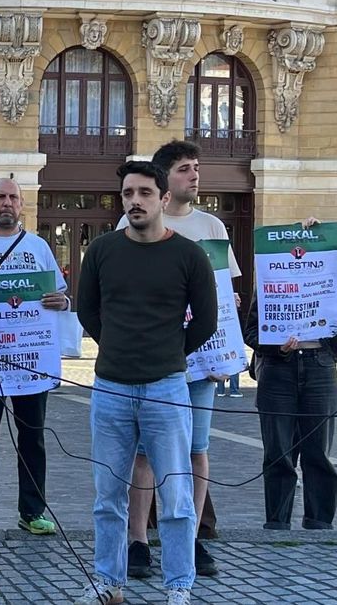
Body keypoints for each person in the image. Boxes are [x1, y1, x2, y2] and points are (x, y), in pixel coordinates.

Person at [74, 161, 217, 605]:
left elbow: (206, 322)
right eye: (128, 193)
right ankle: (107, 582)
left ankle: (178, 586)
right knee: (108, 496)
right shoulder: (101, 251)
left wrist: (166, 351)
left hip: (167, 389)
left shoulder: (189, 255)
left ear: (164, 199)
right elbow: (88, 312)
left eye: (144, 193)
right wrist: (120, 345)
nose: (135, 201)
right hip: (111, 388)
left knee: (175, 495)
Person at [114, 141, 240, 578]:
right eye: (186, 169)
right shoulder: (135, 224)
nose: (195, 175)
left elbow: (226, 296)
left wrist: (229, 347)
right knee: (146, 452)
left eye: (197, 168)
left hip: (203, 362)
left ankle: (191, 538)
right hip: (151, 361)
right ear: (165, 181)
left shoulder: (213, 228)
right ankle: (137, 541)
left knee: (196, 450)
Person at [0, 177, 70, 538]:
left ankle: (32, 510)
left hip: (30, 359)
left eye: (12, 197)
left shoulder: (38, 247)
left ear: (21, 205)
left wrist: (63, 302)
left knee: (32, 437)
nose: (6, 203)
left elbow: (58, 296)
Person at [243, 217, 337, 532]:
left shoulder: (325, 276)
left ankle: (319, 522)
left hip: (319, 365)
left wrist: (322, 238)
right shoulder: (269, 284)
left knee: (317, 451)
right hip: (277, 370)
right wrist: (276, 348)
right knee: (278, 452)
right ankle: (277, 523)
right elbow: (251, 332)